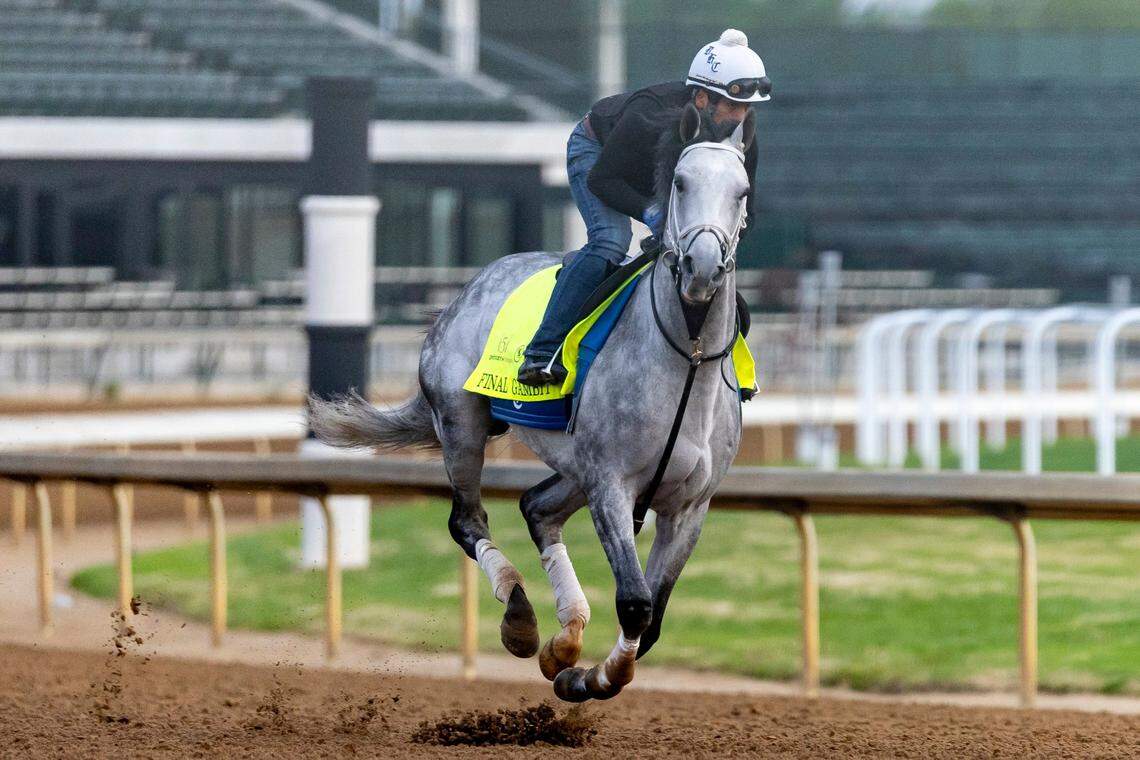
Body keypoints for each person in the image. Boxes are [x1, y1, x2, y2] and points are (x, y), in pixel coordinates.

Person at [516, 28, 771, 387]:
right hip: (601, 155)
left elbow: (748, 212)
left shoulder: (740, 138)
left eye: (747, 107)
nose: (740, 117)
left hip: (671, 176)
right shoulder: (648, 114)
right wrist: (654, 215)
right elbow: (603, 180)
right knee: (611, 240)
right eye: (732, 105)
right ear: (701, 99)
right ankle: (543, 351)